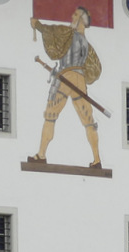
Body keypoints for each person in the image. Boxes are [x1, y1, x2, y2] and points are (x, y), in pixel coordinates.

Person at [30, 7, 103, 168]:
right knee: (88, 120)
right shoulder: (87, 45)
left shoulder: (69, 34)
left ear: (82, 19)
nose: (72, 16)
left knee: (51, 115)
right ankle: (97, 159)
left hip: (66, 77)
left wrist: (37, 25)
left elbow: (51, 31)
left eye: (76, 15)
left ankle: (41, 155)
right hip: (80, 80)